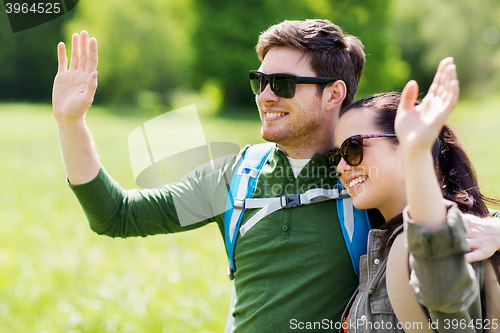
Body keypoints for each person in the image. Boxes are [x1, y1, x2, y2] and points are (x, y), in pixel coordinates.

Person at [53, 20, 500, 331]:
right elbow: (116, 216)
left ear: (333, 94)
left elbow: (439, 232)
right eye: (259, 82)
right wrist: (71, 124)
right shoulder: (235, 175)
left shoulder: (367, 172)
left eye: (282, 84)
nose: (265, 96)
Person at [332, 57, 500, 332]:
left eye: (353, 148)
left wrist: (417, 153)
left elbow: (444, 292)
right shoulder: (381, 244)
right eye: (335, 156)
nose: (340, 167)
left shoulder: (464, 234)